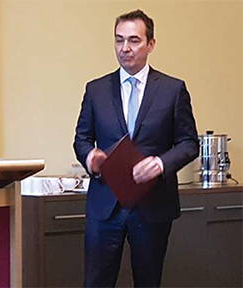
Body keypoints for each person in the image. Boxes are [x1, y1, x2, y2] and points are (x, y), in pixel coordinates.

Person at [73, 9, 199, 287]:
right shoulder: (95, 90)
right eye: (119, 40)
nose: (125, 48)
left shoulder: (172, 89)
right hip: (105, 204)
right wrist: (89, 156)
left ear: (150, 44)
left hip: (152, 205)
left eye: (133, 40)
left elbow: (190, 144)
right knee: (95, 282)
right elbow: (81, 139)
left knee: (147, 282)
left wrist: (161, 163)